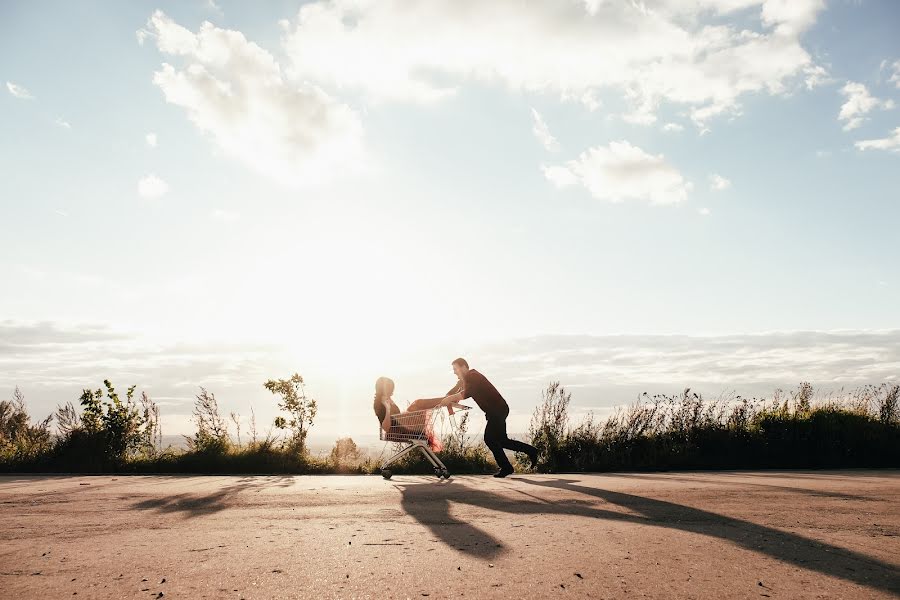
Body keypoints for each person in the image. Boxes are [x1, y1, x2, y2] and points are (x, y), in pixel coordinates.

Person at [439, 358, 538, 477]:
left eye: (455, 369)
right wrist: (445, 398)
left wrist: (449, 399)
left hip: (497, 410)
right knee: (502, 441)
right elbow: (454, 391)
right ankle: (530, 451)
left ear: (464, 367)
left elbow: (466, 393)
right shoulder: (465, 379)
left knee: (490, 439)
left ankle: (507, 467)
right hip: (496, 411)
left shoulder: (473, 376)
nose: (454, 372)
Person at [373, 377, 443, 451]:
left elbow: (397, 417)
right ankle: (446, 400)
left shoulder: (388, 399)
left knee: (417, 404)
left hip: (402, 428)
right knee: (418, 403)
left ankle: (446, 399)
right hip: (397, 432)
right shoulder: (379, 404)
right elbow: (385, 428)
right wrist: (388, 409)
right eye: (390, 388)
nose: (392, 391)